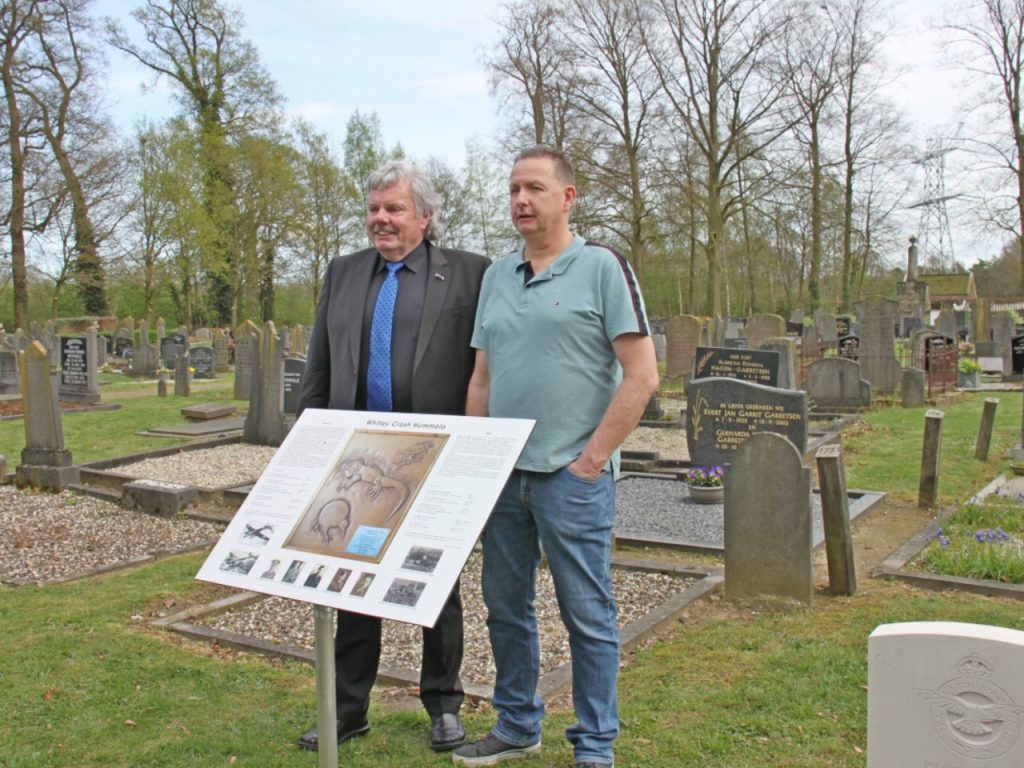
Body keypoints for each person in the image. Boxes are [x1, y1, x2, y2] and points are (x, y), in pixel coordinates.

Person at [455, 146, 659, 768]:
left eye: (535, 188)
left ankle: (595, 744)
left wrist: (591, 461)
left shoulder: (602, 267)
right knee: (505, 608)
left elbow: (642, 376)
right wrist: (477, 458)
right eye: (515, 188)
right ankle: (518, 725)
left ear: (567, 198)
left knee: (587, 614)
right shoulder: (496, 275)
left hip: (572, 477)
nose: (521, 200)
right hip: (505, 476)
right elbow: (482, 379)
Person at [296, 159, 489, 754]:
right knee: (349, 580)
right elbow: (321, 360)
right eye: (375, 209)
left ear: (425, 217)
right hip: (356, 457)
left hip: (434, 455)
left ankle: (443, 705)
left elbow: (486, 365)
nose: (381, 219)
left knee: (435, 583)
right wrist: (306, 440)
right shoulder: (345, 271)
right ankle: (348, 709)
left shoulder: (469, 273)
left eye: (395, 209)